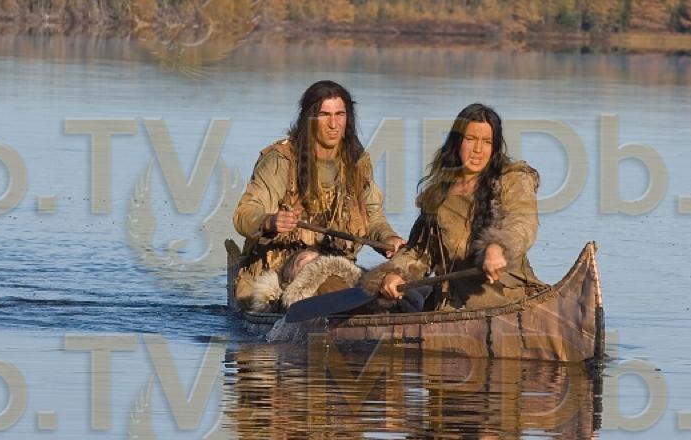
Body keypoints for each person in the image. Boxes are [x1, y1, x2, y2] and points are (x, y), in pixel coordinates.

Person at [232, 80, 403, 309]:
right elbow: (244, 214)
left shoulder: (357, 162)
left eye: (340, 114)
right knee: (311, 265)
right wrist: (270, 221)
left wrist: (388, 240)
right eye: (324, 115)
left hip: (340, 268)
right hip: (282, 269)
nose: (333, 124)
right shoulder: (280, 160)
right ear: (309, 119)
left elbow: (373, 218)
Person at [366, 103, 542, 311]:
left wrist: (498, 247)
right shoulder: (438, 194)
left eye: (487, 142)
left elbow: (522, 222)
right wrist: (394, 274)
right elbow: (419, 253)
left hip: (509, 301)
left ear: (494, 148)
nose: (478, 150)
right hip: (450, 305)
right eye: (471, 139)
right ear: (457, 142)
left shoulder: (513, 180)